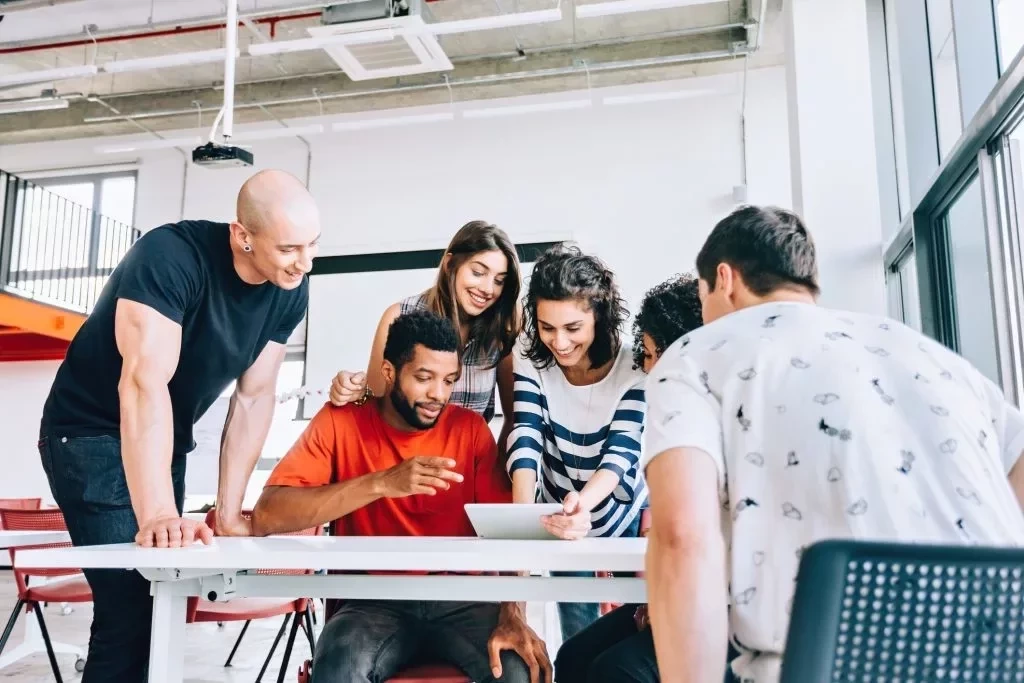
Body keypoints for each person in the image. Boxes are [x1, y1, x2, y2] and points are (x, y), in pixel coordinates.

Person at [642, 205, 1024, 683]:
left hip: (826, 666)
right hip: (999, 655)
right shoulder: (926, 352)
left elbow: (681, 536)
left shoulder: (695, 355)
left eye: (701, 299)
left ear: (724, 279)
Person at [36, 169, 316, 682]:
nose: (305, 262)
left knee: (163, 602)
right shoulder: (169, 257)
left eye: (313, 245)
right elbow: (142, 384)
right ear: (243, 235)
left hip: (163, 443)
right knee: (132, 609)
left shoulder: (289, 290)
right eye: (290, 248)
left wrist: (229, 511)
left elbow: (254, 398)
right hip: (89, 434)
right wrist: (159, 512)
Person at [252, 310, 550, 683]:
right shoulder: (340, 421)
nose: (438, 394)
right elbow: (267, 514)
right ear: (390, 372)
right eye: (424, 378)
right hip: (370, 601)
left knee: (520, 671)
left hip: (463, 597)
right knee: (338, 669)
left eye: (449, 380)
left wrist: (513, 612)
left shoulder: (470, 430)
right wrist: (379, 483)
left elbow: (510, 535)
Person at [553, 273, 702, 683]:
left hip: (715, 610)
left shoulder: (715, 423)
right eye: (647, 353)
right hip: (671, 597)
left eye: (656, 354)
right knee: (572, 655)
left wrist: (672, 601)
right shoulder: (668, 418)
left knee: (612, 670)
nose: (647, 366)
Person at [506, 244, 647, 641]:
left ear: (599, 318)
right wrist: (521, 522)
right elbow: (527, 437)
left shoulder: (634, 364)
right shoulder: (529, 354)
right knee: (577, 636)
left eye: (573, 329)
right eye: (547, 327)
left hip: (620, 514)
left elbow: (621, 454)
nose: (559, 342)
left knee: (634, 632)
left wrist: (582, 504)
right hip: (560, 515)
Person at [328, 220, 521, 452]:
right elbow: (374, 404)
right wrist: (352, 389)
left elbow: (513, 420)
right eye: (478, 272)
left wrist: (493, 477)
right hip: (403, 462)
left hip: (467, 467)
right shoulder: (399, 316)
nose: (488, 289)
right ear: (450, 264)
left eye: (499, 280)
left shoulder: (501, 329)